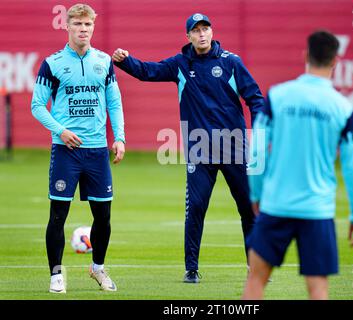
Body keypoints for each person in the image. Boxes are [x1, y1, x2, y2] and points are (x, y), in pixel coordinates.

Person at [112, 13, 264, 283]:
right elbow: (148, 71)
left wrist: (263, 134)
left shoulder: (231, 63)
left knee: (248, 208)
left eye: (206, 29)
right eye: (196, 30)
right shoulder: (180, 64)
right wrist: (125, 61)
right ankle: (191, 269)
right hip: (200, 150)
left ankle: (256, 267)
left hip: (235, 148)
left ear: (212, 32)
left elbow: (255, 99)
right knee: (195, 207)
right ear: (188, 37)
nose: (202, 34)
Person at [242, 30, 353, 300]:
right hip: (317, 210)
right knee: (318, 289)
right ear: (335, 61)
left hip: (276, 205)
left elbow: (256, 150)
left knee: (256, 279)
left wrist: (256, 194)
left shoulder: (278, 96)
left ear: (305, 56)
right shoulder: (343, 108)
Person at [31, 4, 125, 293]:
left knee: (104, 216)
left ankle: (97, 268)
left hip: (96, 152)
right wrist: (61, 130)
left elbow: (114, 103)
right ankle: (56, 275)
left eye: (88, 24)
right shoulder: (54, 63)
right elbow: (37, 106)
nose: (83, 29)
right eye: (78, 24)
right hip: (65, 151)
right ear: (68, 26)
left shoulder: (104, 62)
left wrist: (119, 136)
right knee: (58, 214)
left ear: (93, 27)